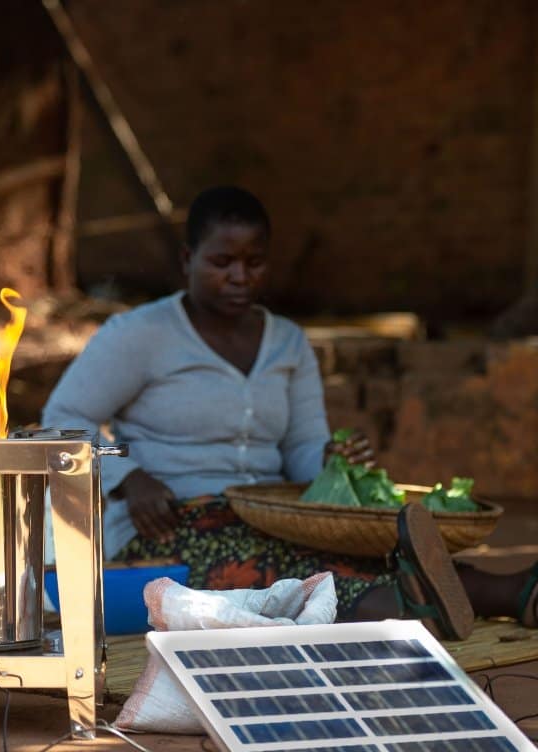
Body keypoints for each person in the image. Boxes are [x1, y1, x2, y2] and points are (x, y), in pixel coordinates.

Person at [42, 185, 538, 640]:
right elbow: (60, 419)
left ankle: (496, 593)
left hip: (269, 517)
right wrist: (128, 478)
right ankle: (445, 602)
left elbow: (301, 450)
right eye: (222, 262)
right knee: (297, 575)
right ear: (188, 259)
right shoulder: (140, 335)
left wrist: (331, 460)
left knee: (349, 551)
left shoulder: (287, 342)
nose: (240, 277)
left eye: (255, 262)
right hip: (165, 533)